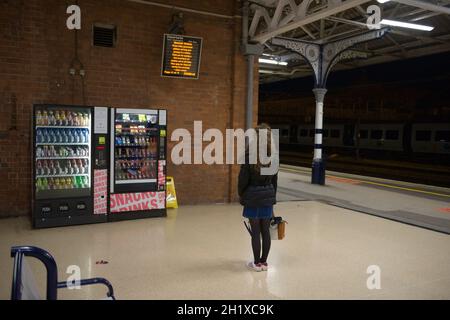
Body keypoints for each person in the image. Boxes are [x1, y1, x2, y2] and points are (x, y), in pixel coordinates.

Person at [238, 123, 278, 272]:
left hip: (252, 198)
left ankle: (256, 263)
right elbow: (275, 182)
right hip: (267, 197)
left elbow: (242, 180)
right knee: (265, 231)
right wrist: (272, 198)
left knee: (255, 231)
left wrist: (242, 195)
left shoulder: (249, 156)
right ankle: (264, 263)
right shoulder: (273, 157)